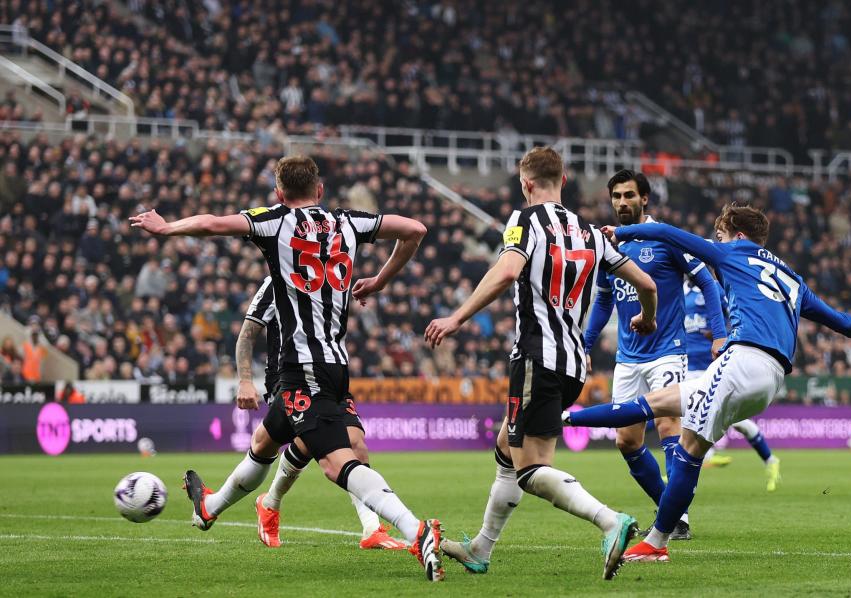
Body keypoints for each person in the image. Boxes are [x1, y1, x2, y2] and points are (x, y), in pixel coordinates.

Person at [130, 155, 447, 582]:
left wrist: (168, 228)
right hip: (335, 364)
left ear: (279, 194)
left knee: (337, 463)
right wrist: (381, 281)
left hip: (302, 368)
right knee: (268, 443)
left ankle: (416, 531)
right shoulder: (347, 222)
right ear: (320, 190)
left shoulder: (273, 221)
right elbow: (415, 231)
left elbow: (214, 223)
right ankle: (209, 508)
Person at [563, 203, 851, 562]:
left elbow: (667, 233)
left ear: (739, 235)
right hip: (770, 378)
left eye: (721, 231)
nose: (717, 237)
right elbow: (836, 319)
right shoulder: (792, 279)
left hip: (744, 361)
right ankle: (565, 419)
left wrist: (619, 233)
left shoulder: (732, 253)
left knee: (688, 449)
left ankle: (656, 542)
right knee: (655, 403)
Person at [424, 147, 659, 580]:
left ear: (526, 183)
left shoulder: (525, 220)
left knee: (531, 468)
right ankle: (481, 547)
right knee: (505, 452)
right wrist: (648, 316)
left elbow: (509, 271)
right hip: (573, 364)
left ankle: (611, 521)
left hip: (536, 358)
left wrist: (456, 317)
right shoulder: (591, 233)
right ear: (564, 180)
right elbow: (646, 282)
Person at [582, 170, 727, 540]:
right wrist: (584, 345)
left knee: (667, 427)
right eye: (616, 196)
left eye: (629, 195)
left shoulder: (664, 237)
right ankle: (671, 509)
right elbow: (602, 299)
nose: (621, 203)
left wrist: (719, 334)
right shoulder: (608, 244)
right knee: (626, 441)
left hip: (668, 351)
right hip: (628, 358)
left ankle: (680, 521)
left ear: (644, 198)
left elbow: (707, 282)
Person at [238, 276, 407, 549]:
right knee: (314, 445)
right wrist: (245, 378)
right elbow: (249, 331)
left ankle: (372, 528)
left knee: (354, 442)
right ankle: (266, 503)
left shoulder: (331, 271)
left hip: (329, 372)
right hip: (289, 376)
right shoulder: (278, 277)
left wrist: (365, 287)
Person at [684, 280, 781, 490]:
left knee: (737, 421)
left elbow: (736, 318)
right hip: (687, 364)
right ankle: (681, 469)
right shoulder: (682, 292)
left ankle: (770, 460)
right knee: (686, 416)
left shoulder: (714, 290)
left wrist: (722, 335)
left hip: (712, 364)